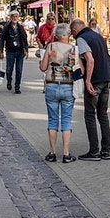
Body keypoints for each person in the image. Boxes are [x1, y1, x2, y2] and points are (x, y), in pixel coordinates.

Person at [71, 17, 110, 161]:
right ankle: (106, 150)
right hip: (106, 78)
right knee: (103, 115)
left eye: (72, 33)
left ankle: (94, 151)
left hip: (94, 80)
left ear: (75, 30)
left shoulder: (82, 39)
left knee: (90, 114)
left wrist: (87, 80)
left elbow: (90, 59)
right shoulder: (97, 36)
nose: (72, 36)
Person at [39, 24, 78, 163]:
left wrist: (42, 63)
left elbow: (43, 68)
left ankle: (52, 153)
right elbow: (79, 70)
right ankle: (66, 154)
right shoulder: (74, 49)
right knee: (67, 120)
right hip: (68, 86)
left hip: (52, 86)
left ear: (56, 35)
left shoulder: (51, 47)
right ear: (68, 34)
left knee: (52, 120)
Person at [0, 10, 29, 93]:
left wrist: (26, 50)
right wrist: (1, 51)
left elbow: (24, 39)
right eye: (13, 16)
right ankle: (9, 81)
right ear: (10, 17)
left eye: (16, 16)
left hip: (20, 51)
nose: (15, 18)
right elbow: (2, 39)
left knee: (19, 70)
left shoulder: (21, 27)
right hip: (10, 51)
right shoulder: (7, 27)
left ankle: (17, 87)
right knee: (9, 69)